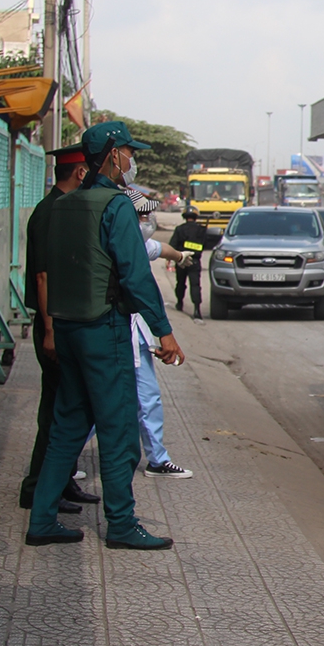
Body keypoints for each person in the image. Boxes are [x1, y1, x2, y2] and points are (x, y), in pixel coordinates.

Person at [26, 121, 185, 549]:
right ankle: (121, 524)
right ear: (113, 154)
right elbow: (136, 277)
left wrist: (53, 329)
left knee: (67, 426)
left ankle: (41, 519)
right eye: (129, 153)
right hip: (104, 329)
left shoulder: (61, 206)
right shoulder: (115, 207)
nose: (132, 161)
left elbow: (53, 271)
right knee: (118, 431)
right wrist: (164, 332)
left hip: (69, 328)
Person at [18, 145, 101, 514]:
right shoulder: (53, 211)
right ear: (81, 174)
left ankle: (61, 482)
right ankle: (37, 488)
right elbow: (43, 275)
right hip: (53, 323)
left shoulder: (61, 207)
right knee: (55, 410)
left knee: (63, 407)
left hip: (61, 320)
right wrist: (50, 332)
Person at [127, 189, 195, 479]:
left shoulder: (138, 244)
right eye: (142, 215)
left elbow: (160, 248)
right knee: (97, 403)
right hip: (116, 334)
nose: (148, 220)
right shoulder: (119, 248)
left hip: (136, 336)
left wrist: (180, 256)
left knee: (148, 397)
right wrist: (164, 333)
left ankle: (157, 458)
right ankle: (61, 464)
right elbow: (145, 294)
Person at [170, 207, 207, 319]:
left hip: (181, 260)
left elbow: (173, 245)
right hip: (194, 261)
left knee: (180, 283)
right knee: (195, 285)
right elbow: (204, 244)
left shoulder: (179, 229)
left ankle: (179, 302)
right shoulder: (201, 230)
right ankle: (197, 309)